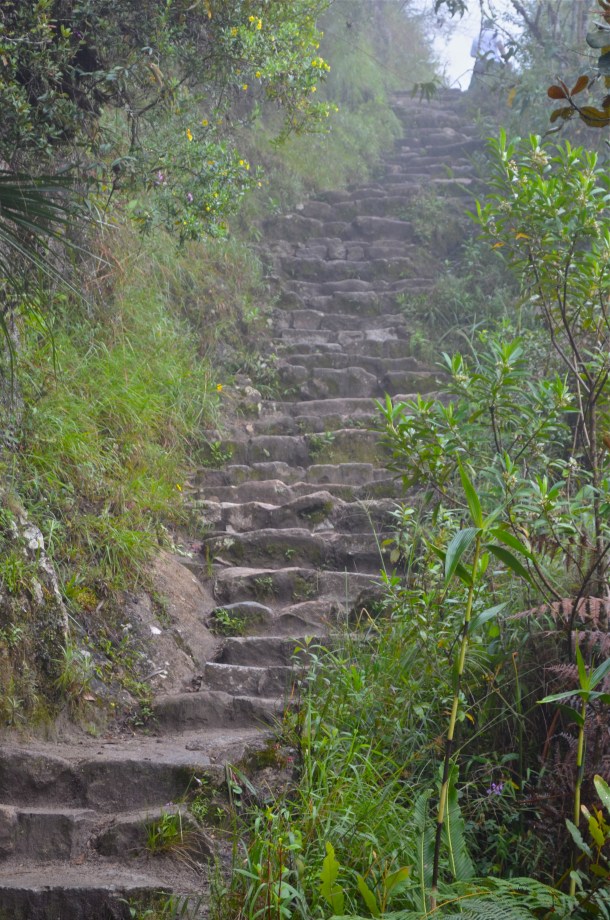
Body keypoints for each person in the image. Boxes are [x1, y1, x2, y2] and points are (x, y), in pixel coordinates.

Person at [469, 18, 506, 88]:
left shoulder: (477, 37)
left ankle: (471, 96)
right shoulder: (495, 34)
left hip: (480, 62)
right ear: (492, 25)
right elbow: (500, 46)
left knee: (476, 85)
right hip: (493, 62)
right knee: (494, 84)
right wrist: (505, 58)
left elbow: (472, 54)